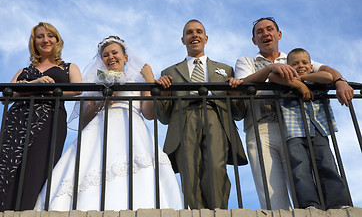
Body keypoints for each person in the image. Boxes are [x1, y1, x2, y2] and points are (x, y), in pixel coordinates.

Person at [34, 36, 183, 211]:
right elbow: (84, 122)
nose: (110, 57)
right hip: (99, 129)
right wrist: (101, 103)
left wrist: (150, 82)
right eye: (105, 55)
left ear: (125, 57)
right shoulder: (97, 83)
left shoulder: (138, 82)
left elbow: (149, 114)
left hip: (133, 130)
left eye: (114, 53)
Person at [234, 17, 354, 210]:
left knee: (302, 176)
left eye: (270, 29)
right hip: (261, 129)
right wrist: (270, 69)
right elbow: (243, 84)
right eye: (260, 31)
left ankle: (320, 208)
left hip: (293, 126)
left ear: (278, 34)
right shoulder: (246, 61)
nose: (265, 34)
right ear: (254, 40)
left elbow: (325, 71)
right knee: (271, 190)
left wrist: (340, 81)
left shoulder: (293, 59)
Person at [155, 19, 248, 209]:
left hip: (216, 116)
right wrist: (163, 94)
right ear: (183, 40)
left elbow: (239, 112)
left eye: (198, 32)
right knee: (189, 172)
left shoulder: (226, 69)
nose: (194, 35)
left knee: (216, 168)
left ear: (206, 38)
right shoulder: (169, 71)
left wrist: (237, 93)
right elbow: (164, 117)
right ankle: (197, 213)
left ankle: (218, 211)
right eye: (189, 33)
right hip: (184, 119)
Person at [0, 22, 82, 211]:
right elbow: (7, 96)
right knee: (8, 165)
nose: (45, 40)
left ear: (57, 39)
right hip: (18, 120)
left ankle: (29, 210)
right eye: (40, 36)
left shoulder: (68, 68)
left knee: (40, 166)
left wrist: (50, 92)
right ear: (34, 42)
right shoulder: (23, 71)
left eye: (50, 35)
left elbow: (78, 89)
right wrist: (35, 83)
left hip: (50, 120)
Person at [268, 48, 350, 209]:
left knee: (326, 164)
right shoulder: (286, 80)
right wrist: (296, 83)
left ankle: (338, 203)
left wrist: (302, 79)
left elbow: (328, 76)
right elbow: (271, 75)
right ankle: (309, 204)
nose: (300, 65)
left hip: (318, 128)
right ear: (288, 66)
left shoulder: (316, 78)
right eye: (295, 63)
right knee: (300, 168)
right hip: (294, 131)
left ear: (311, 66)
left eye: (304, 63)